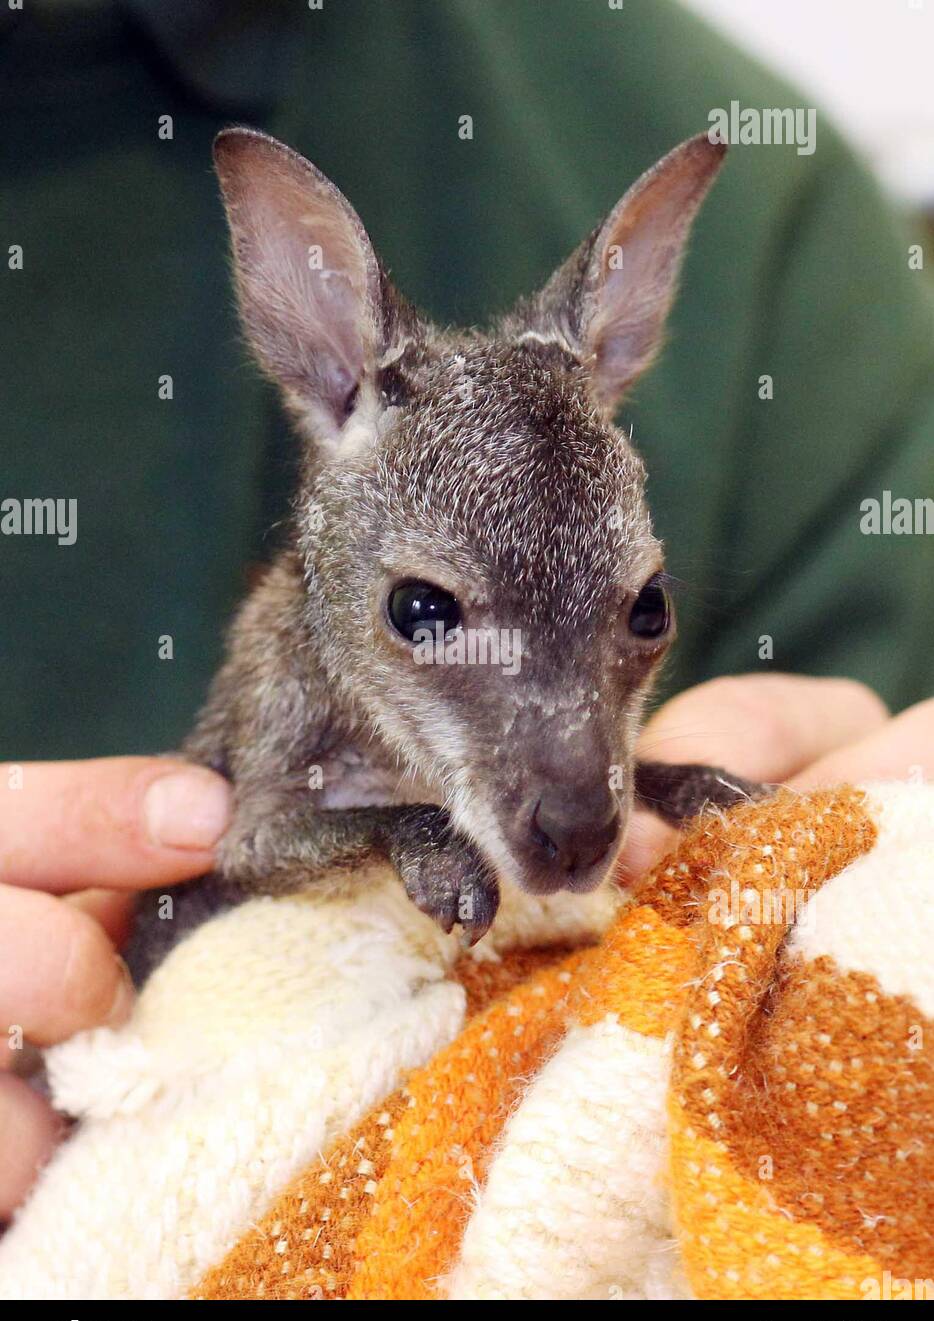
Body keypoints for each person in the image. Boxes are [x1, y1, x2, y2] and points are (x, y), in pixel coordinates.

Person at [2, 2, 932, 1217]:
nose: (571, 777)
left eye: (640, 619)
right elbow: (254, 834)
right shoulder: (297, 646)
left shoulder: (775, 218)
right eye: (433, 620)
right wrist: (403, 838)